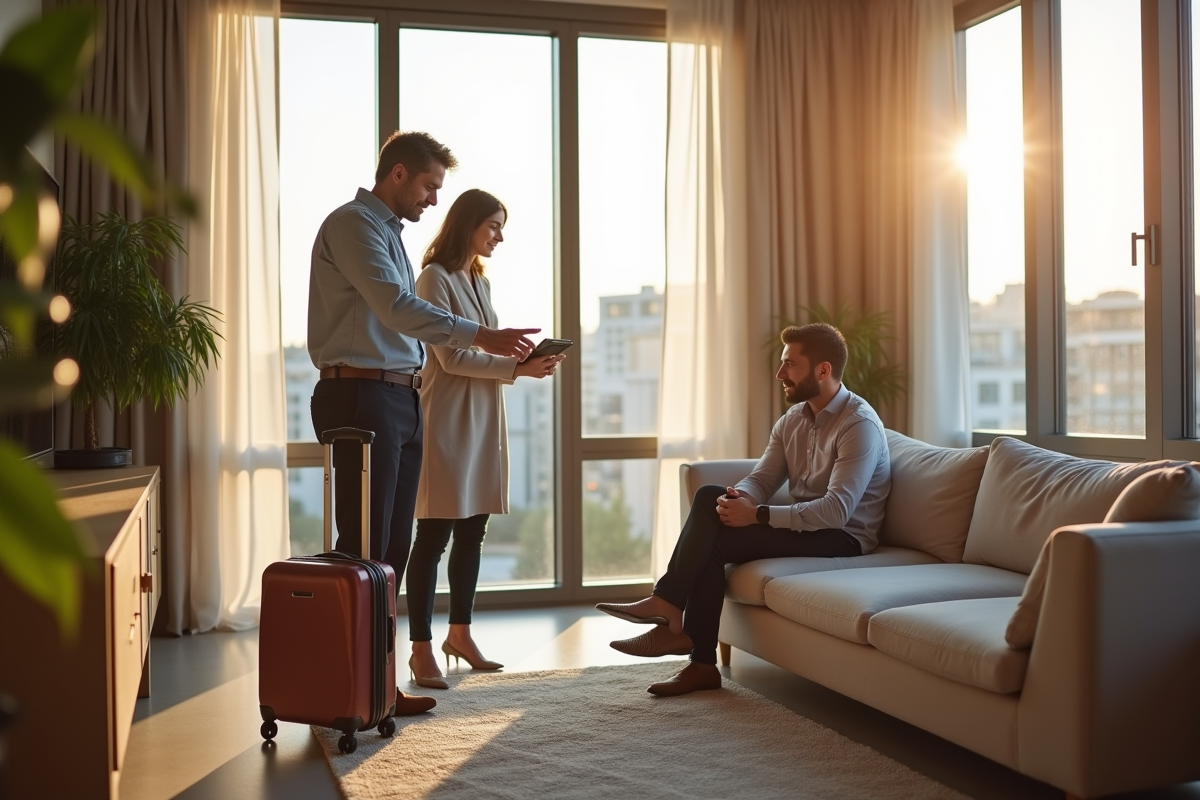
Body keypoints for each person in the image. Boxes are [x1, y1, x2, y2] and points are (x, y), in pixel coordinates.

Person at [308, 132, 539, 715]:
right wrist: (483, 335)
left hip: (397, 396)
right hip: (360, 395)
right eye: (430, 186)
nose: (434, 199)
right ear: (399, 173)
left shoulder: (389, 234)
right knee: (365, 547)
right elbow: (396, 307)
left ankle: (379, 685)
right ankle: (351, 687)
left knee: (392, 546)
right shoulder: (354, 225)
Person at [597, 323, 891, 696]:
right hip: (809, 525)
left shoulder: (858, 425)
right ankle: (685, 635)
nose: (780, 373)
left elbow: (836, 512)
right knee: (711, 499)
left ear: (823, 370)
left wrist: (759, 514)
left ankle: (683, 632)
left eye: (790, 364)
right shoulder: (793, 420)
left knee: (713, 536)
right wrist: (741, 498)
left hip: (844, 537)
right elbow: (762, 479)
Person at [405, 190, 564, 689]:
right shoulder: (433, 278)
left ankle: (461, 635)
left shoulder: (479, 279)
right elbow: (450, 357)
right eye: (493, 225)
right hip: (447, 421)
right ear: (468, 224)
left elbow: (482, 351)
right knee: (433, 537)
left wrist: (524, 363)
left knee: (473, 532)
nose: (500, 236)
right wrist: (517, 369)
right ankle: (420, 647)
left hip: (482, 417)